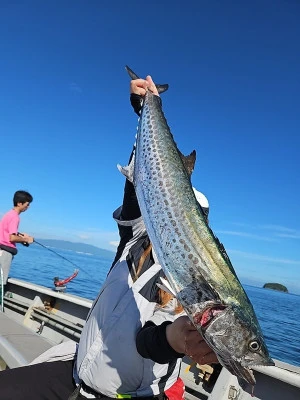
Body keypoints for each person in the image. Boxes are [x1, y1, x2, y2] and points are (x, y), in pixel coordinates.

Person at [0, 75, 217, 400]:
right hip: (74, 374)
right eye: (169, 207)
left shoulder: (193, 282)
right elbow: (140, 184)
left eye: (191, 218)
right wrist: (145, 109)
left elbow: (148, 342)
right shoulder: (133, 241)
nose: (172, 218)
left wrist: (174, 339)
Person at [0, 190, 34, 285]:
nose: (28, 207)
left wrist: (19, 236)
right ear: (19, 203)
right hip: (5, 253)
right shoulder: (15, 217)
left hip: (1, 250)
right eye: (27, 204)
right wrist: (27, 239)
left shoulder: (8, 214)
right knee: (1, 282)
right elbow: (12, 238)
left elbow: (6, 233)